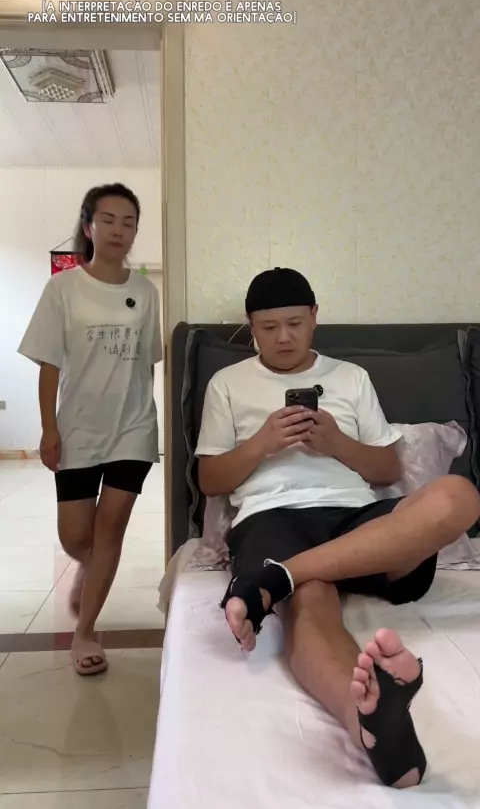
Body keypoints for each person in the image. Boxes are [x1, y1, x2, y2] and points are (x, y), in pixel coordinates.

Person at [195, 266, 480, 789]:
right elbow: (210, 478)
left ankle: (278, 578)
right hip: (272, 515)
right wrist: (262, 444)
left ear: (315, 318)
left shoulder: (351, 377)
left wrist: (336, 444)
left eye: (295, 323)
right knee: (311, 601)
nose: (284, 337)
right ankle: (370, 725)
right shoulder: (227, 384)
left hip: (356, 521)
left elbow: (388, 469)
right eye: (268, 327)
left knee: (458, 496)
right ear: (251, 327)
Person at [18, 183, 162, 676]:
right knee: (77, 536)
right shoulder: (62, 289)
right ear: (89, 227)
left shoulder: (145, 292)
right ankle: (87, 564)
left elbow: (147, 363)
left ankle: (85, 632)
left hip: (134, 427)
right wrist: (49, 429)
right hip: (79, 428)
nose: (119, 230)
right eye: (108, 220)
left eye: (129, 222)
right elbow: (49, 365)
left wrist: (144, 415)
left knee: (111, 528)